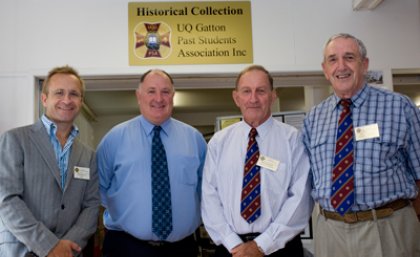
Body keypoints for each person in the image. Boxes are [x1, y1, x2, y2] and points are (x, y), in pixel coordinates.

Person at [302, 33, 420, 257]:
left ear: (364, 65)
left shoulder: (399, 107)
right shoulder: (314, 118)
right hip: (330, 231)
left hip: (388, 228)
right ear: (325, 69)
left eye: (349, 57)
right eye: (333, 59)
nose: (341, 66)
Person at [201, 65, 313, 257]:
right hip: (231, 249)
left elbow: (300, 198)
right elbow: (209, 197)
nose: (253, 99)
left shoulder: (293, 139)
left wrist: (262, 245)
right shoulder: (219, 142)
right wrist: (233, 244)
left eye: (261, 91)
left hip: (280, 248)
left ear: (272, 96)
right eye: (246, 91)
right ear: (236, 98)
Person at [97, 69, 207, 257]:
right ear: (138, 96)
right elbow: (98, 188)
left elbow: (206, 189)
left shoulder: (194, 139)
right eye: (151, 91)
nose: (159, 98)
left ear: (173, 96)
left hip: (181, 249)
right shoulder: (114, 138)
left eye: (165, 91)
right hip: (126, 247)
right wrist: (129, 211)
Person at [0, 65, 100, 257]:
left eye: (74, 94)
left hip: (69, 252)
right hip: (22, 249)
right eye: (59, 93)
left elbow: (91, 206)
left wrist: (68, 246)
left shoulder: (88, 155)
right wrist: (49, 245)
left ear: (81, 101)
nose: (66, 100)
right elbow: (7, 200)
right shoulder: (14, 140)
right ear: (44, 99)